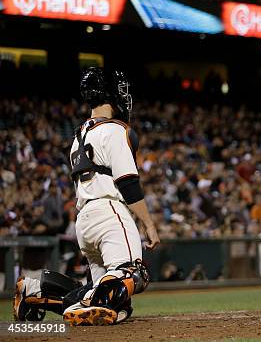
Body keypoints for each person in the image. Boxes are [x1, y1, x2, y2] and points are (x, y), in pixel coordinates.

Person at [13, 67, 160, 326]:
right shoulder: (115, 129)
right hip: (110, 214)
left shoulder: (79, 136)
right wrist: (149, 223)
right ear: (110, 93)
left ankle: (36, 291)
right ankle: (89, 300)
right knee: (133, 273)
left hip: (86, 220)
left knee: (116, 304)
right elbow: (128, 182)